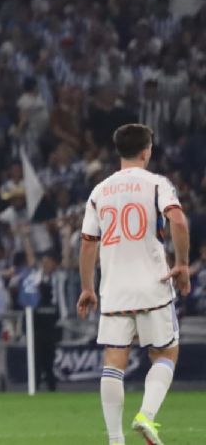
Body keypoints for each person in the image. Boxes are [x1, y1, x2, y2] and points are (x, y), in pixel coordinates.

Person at [78, 123, 190, 445]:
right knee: (166, 353)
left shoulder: (99, 191)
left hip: (113, 289)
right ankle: (146, 416)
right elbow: (178, 219)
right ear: (147, 150)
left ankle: (115, 439)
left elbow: (87, 243)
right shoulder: (156, 183)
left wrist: (87, 287)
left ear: (118, 151)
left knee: (113, 362)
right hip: (153, 286)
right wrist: (181, 264)